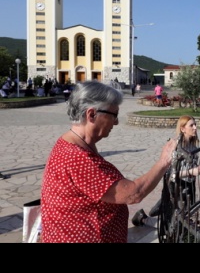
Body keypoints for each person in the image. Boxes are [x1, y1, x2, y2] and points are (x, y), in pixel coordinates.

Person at [40, 80, 177, 243]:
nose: (117, 122)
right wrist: (164, 161)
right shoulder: (78, 157)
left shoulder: (76, 144)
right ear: (91, 114)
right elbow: (133, 194)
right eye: (114, 115)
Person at [132, 115, 200, 227]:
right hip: (176, 186)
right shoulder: (175, 146)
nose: (195, 127)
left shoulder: (192, 145)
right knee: (173, 225)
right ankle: (142, 218)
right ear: (182, 128)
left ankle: (162, 207)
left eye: (195, 125)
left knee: (185, 216)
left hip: (189, 185)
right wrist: (191, 172)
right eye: (191, 125)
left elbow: (190, 165)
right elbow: (171, 174)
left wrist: (197, 168)